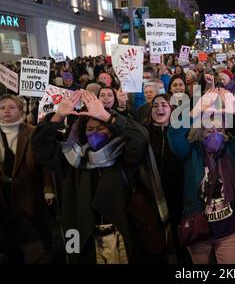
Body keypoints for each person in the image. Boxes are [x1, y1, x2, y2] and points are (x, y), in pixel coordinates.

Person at [31, 90, 171, 264]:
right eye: (90, 129)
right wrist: (57, 117)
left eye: (101, 128)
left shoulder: (123, 155)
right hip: (82, 236)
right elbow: (40, 147)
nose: (95, 133)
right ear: (83, 132)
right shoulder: (70, 158)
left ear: (111, 131)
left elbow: (140, 137)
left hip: (121, 234)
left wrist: (108, 117)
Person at [167, 89, 235, 264]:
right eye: (208, 126)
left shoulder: (231, 150)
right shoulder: (190, 152)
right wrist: (194, 112)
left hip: (228, 230)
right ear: (200, 128)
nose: (214, 131)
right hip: (198, 229)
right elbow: (174, 136)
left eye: (218, 126)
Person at [0, 94, 54, 263]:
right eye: (2, 108)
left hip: (29, 191)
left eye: (11, 107)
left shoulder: (32, 132)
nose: (6, 111)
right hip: (2, 194)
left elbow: (44, 164)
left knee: (31, 234)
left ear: (21, 111)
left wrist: (48, 189)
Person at [146, 94, 187, 262]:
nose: (159, 109)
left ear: (172, 110)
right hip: (152, 200)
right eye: (155, 106)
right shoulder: (143, 134)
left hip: (178, 199)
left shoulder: (180, 134)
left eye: (164, 105)